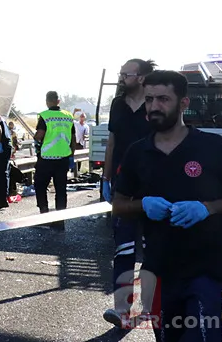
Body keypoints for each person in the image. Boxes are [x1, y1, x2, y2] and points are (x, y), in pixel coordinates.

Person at [113, 70, 222, 342]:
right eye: (150, 99)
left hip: (209, 269)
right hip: (159, 271)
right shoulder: (138, 153)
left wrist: (207, 208)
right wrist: (143, 204)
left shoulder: (213, 146)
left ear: (184, 104)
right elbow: (118, 205)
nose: (154, 106)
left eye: (163, 99)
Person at [102, 58, 156, 327]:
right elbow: (111, 142)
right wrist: (106, 177)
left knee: (152, 249)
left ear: (143, 77)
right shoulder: (117, 105)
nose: (122, 77)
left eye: (127, 73)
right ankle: (122, 310)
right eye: (121, 73)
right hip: (124, 187)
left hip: (154, 186)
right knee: (123, 248)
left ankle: (150, 306)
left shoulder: (155, 102)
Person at [34, 91, 76, 230]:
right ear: (58, 101)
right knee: (61, 190)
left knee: (40, 186)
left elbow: (39, 135)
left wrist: (36, 139)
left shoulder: (45, 116)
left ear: (47, 101)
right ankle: (59, 221)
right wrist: (71, 155)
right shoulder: (68, 116)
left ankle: (44, 216)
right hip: (63, 159)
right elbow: (73, 138)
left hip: (46, 159)